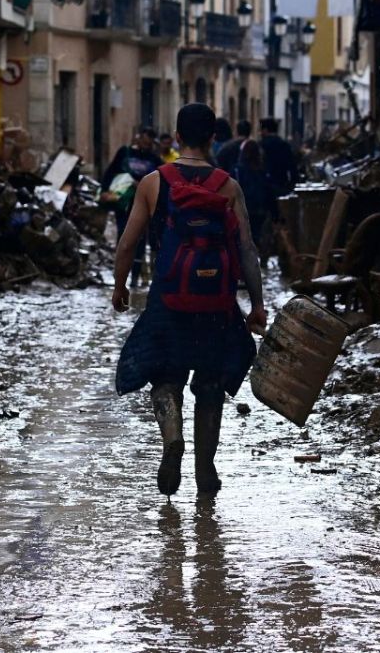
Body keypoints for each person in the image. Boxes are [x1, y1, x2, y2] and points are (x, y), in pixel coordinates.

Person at [112, 103, 268, 497]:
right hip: (216, 303)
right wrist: (257, 304)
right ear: (213, 138)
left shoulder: (153, 182)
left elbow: (127, 244)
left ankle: (172, 438)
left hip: (168, 299)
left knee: (165, 377)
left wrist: (120, 286)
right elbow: (247, 249)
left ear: (177, 137)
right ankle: (205, 469)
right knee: (211, 384)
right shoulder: (228, 186)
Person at [101, 127, 163, 287]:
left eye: (150, 142)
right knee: (123, 235)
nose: (146, 145)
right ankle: (120, 276)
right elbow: (110, 171)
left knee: (141, 239)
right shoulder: (124, 153)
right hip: (122, 202)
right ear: (139, 138)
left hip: (143, 203)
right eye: (145, 140)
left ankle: (135, 277)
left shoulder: (154, 159)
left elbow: (161, 179)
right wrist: (103, 190)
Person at [233, 139, 274, 259]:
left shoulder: (237, 170)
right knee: (257, 236)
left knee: (245, 239)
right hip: (260, 210)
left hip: (243, 209)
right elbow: (269, 192)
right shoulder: (262, 170)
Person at [259, 118, 300, 200]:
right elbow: (292, 166)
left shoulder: (261, 145)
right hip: (281, 183)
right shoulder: (284, 145)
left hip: (263, 186)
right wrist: (292, 184)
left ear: (265, 130)